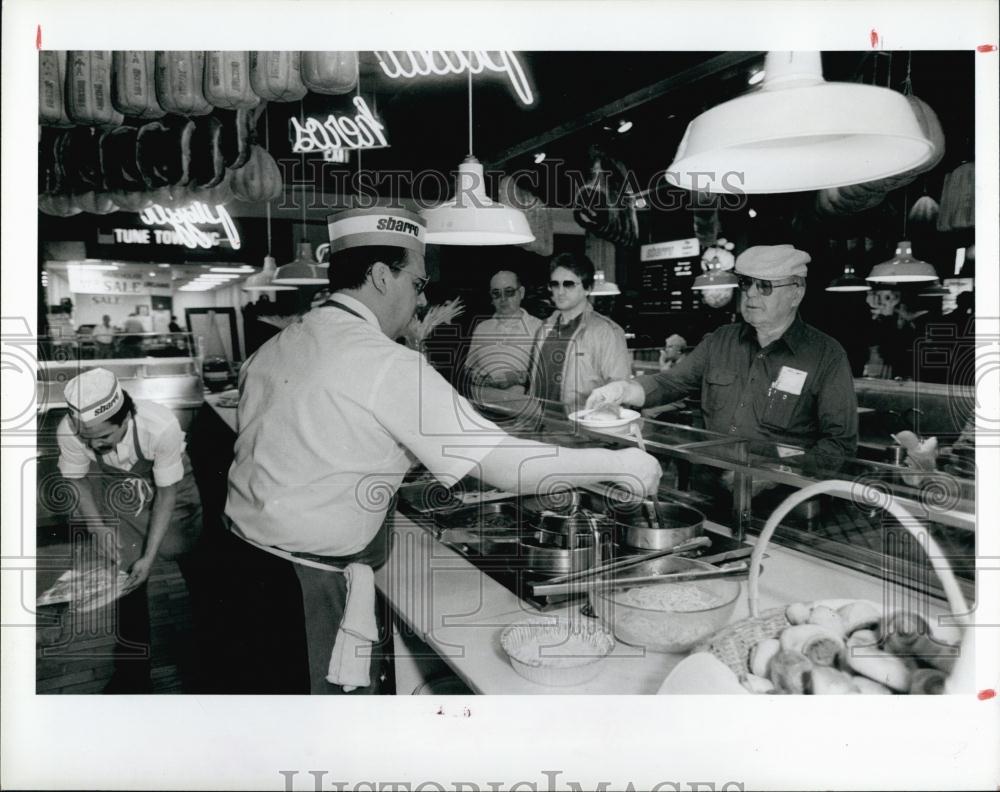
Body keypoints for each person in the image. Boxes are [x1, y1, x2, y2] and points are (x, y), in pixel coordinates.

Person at [218, 207, 661, 694]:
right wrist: (624, 465)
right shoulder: (386, 362)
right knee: (317, 735)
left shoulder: (279, 344)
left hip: (240, 563)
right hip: (304, 587)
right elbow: (506, 467)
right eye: (417, 282)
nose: (421, 298)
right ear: (382, 276)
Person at [588, 244, 858, 459]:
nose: (751, 294)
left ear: (796, 294)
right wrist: (622, 390)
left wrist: (775, 477)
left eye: (764, 286)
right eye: (746, 283)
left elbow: (839, 445)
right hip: (711, 487)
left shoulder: (827, 356)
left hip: (780, 503)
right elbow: (669, 383)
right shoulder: (720, 341)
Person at [56, 368, 204, 692]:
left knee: (192, 565)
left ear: (125, 420)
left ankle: (209, 656)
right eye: (86, 439)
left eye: (104, 438)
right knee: (127, 580)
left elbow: (166, 494)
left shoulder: (160, 426)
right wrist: (99, 529)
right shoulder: (68, 430)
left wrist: (150, 556)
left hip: (172, 492)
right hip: (121, 491)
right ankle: (133, 676)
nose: (95, 446)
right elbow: (77, 480)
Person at [527, 252, 632, 416]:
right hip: (542, 427)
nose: (560, 291)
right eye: (555, 284)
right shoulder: (543, 329)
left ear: (588, 288)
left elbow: (620, 389)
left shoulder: (606, 332)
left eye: (568, 284)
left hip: (582, 433)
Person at [464, 269, 542, 397]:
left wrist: (517, 377)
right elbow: (469, 368)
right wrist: (475, 375)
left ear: (521, 293)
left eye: (509, 292)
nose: (503, 299)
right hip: (483, 403)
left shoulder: (539, 328)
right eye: (496, 293)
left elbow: (547, 376)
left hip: (521, 409)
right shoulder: (482, 328)